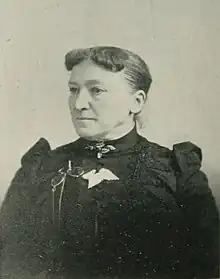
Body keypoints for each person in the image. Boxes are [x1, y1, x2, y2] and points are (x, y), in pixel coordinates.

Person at [0, 46, 219, 279]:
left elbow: (209, 265)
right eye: (73, 90)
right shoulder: (41, 168)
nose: (78, 103)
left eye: (96, 90)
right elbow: (11, 260)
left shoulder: (176, 171)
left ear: (136, 102)